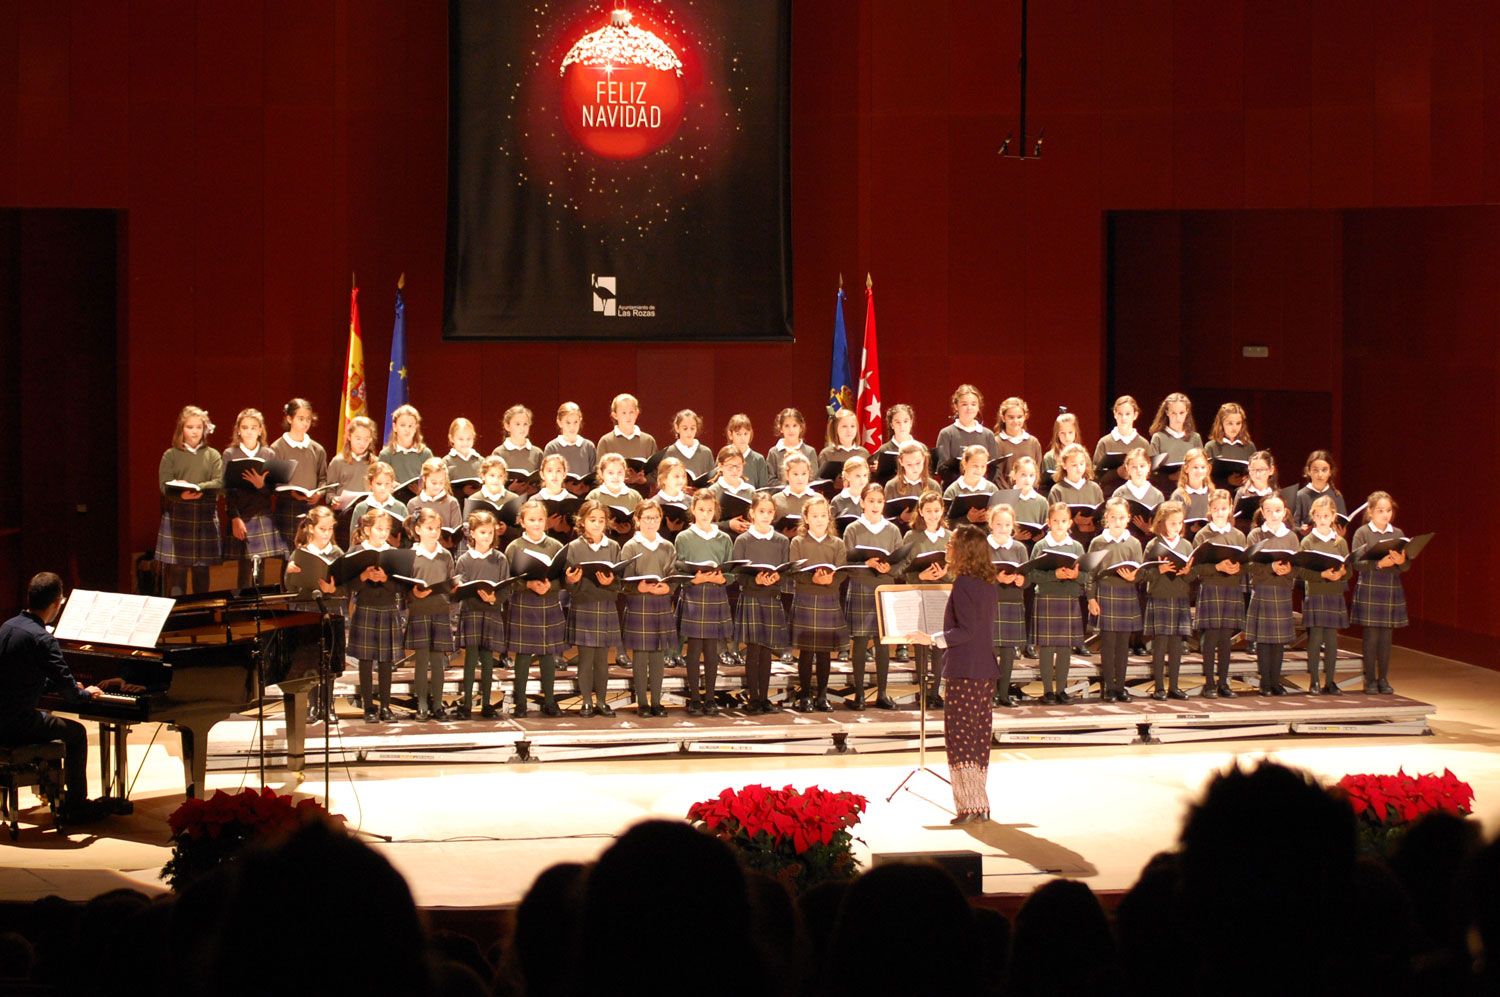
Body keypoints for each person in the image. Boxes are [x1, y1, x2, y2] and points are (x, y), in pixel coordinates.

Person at [0, 573, 111, 824]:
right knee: (76, 733)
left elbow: (20, 672)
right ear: (57, 604)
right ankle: (77, 806)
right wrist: (84, 691)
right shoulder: (43, 639)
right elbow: (72, 697)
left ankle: (51, 790)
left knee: (48, 718)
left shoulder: (8, 626)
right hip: (16, 725)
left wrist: (61, 685)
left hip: (1, 718)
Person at [908, 525, 997, 824]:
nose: (947, 548)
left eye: (951, 544)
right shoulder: (986, 582)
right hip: (984, 668)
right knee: (978, 737)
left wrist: (930, 638)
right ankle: (979, 805)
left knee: (961, 739)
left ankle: (971, 807)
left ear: (964, 551)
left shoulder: (963, 584)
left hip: (966, 669)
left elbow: (966, 631)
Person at [787, 495, 847, 712]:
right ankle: (804, 695)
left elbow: (841, 572)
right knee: (806, 651)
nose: (820, 520)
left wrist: (830, 579)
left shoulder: (837, 543)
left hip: (828, 598)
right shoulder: (798, 542)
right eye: (815, 515)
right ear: (806, 518)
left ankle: (822, 695)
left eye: (823, 515)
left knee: (824, 652)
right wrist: (812, 579)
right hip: (805, 598)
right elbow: (794, 571)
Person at [564, 500, 624, 719]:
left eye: (601, 520)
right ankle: (586, 701)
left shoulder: (613, 546)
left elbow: (620, 580)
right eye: (592, 520)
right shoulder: (574, 547)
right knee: (586, 658)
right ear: (582, 522)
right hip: (583, 605)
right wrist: (571, 580)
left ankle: (601, 701)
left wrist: (610, 582)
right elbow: (568, 583)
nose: (597, 524)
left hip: (605, 605)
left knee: (602, 660)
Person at [156, 404, 223, 596]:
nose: (194, 432)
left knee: (202, 570)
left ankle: (202, 615)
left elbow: (220, 482)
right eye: (190, 427)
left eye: (198, 427)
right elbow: (164, 485)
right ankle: (179, 616)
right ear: (181, 429)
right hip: (179, 516)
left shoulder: (213, 455)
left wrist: (200, 487)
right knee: (178, 571)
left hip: (205, 517)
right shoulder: (171, 455)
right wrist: (181, 494)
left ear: (204, 430)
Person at [1350, 490, 1410, 695]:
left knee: (1386, 638)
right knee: (1371, 638)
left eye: (1388, 510)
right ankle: (1370, 680)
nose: (1385, 515)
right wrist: (1378, 564)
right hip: (1370, 588)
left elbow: (1405, 565)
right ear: (1370, 512)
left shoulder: (1398, 533)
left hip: (1390, 589)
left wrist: (1402, 562)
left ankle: (1383, 678)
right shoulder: (1362, 533)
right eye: (1380, 510)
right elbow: (1356, 563)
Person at [1299, 494, 1350, 695]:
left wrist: (1343, 572)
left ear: (1333, 516)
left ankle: (1330, 680)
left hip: (1334, 593)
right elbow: (1301, 571)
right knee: (1315, 639)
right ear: (1313, 516)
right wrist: (1321, 574)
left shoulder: (1340, 542)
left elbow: (1349, 569)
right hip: (1316, 593)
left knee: (1331, 640)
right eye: (1318, 515)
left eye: (1326, 515)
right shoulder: (1307, 542)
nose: (1322, 519)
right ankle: (1314, 681)